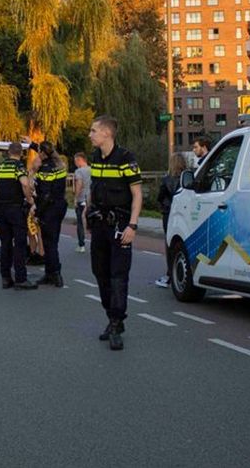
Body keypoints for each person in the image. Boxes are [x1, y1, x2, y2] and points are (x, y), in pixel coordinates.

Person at [87, 115, 143, 351]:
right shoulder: (95, 157)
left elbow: (137, 194)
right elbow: (94, 187)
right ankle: (112, 317)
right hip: (99, 224)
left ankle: (116, 322)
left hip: (120, 224)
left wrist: (132, 225)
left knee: (118, 276)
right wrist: (86, 212)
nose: (90, 135)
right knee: (99, 272)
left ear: (107, 134)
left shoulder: (125, 158)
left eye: (93, 131)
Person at [0, 142, 37, 290]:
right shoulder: (18, 167)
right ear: (21, 153)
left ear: (8, 152)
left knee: (5, 244)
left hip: (2, 208)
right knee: (19, 244)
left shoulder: (0, 167)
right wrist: (29, 199)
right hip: (16, 208)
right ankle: (21, 278)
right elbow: (25, 184)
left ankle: (5, 278)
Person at [34, 141, 67, 287]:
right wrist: (32, 144)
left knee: (49, 243)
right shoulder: (60, 165)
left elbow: (45, 195)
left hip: (49, 209)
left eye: (38, 152)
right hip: (60, 206)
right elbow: (47, 150)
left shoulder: (45, 169)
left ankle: (55, 274)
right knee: (52, 241)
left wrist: (38, 212)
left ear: (42, 153)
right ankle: (49, 273)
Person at [155, 153, 188, 289]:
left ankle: (169, 274)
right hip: (184, 213)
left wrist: (162, 206)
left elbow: (160, 196)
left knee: (170, 244)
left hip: (169, 213)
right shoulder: (187, 178)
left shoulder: (167, 179)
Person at [73, 153, 91, 254]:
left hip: (81, 199)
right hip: (90, 199)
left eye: (75, 161)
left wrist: (75, 198)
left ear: (80, 160)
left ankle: (81, 245)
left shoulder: (79, 171)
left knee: (80, 222)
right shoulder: (92, 170)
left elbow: (79, 184)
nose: (75, 163)